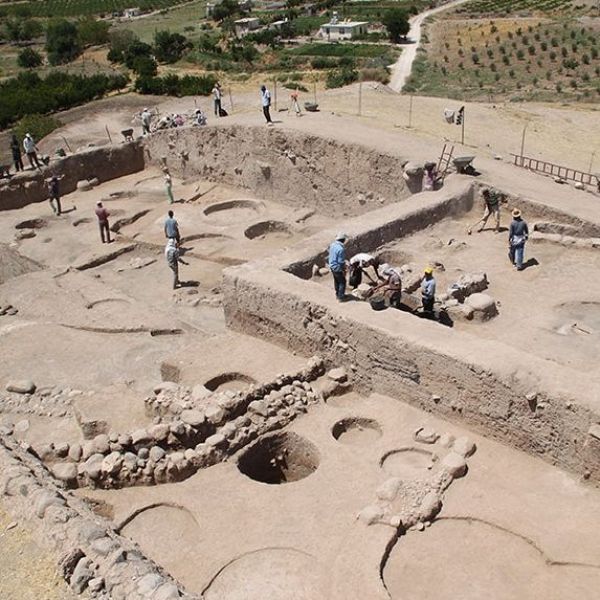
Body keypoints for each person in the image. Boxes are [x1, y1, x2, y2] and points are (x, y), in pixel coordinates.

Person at [328, 232, 347, 302]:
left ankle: (337, 294)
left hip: (331, 265)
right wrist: (344, 270)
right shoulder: (340, 249)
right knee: (342, 282)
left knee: (336, 280)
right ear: (343, 240)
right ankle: (340, 297)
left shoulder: (333, 245)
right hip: (337, 267)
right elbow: (341, 262)